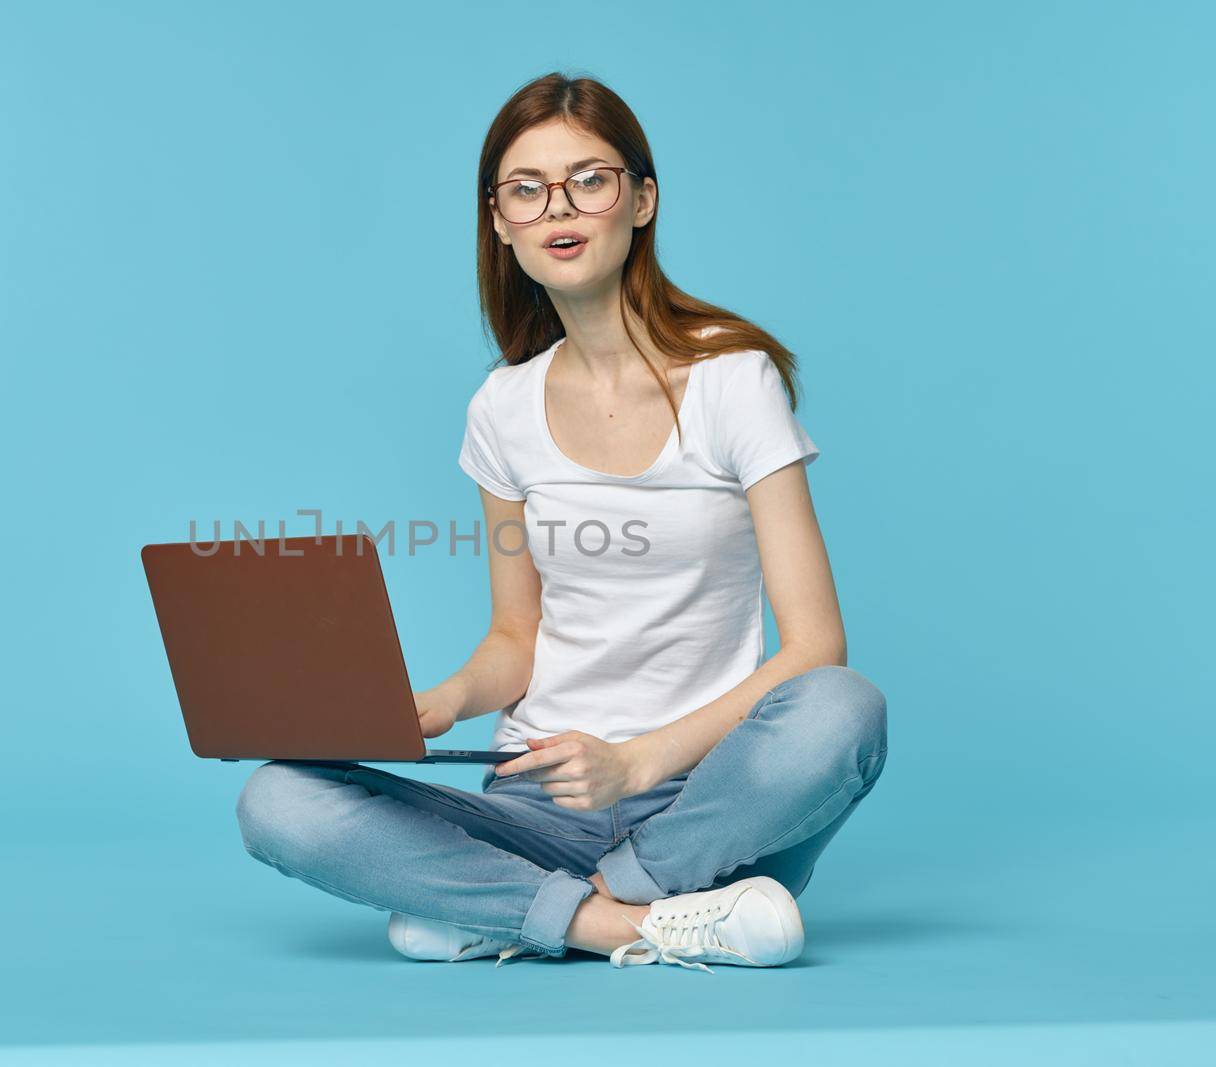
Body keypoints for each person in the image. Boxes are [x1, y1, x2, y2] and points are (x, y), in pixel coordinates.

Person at [234, 71, 888, 971]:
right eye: (526, 189)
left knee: (843, 711)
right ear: (499, 222)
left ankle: (515, 910)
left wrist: (637, 762)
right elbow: (516, 635)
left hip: (705, 802)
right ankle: (636, 924)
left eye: (590, 178)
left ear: (642, 200)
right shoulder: (501, 408)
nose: (559, 207)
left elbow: (815, 644)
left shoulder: (734, 380)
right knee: (277, 801)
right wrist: (438, 702)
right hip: (534, 801)